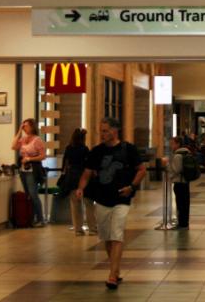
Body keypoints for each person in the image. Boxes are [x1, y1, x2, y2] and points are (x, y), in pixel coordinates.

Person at [75, 118, 145, 290]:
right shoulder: (97, 151)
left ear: (114, 131)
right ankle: (116, 269)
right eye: (101, 131)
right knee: (107, 237)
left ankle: (112, 275)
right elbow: (87, 173)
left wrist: (132, 187)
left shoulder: (128, 149)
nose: (102, 134)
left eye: (105, 131)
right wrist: (80, 188)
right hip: (102, 199)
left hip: (122, 198)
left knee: (117, 235)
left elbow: (141, 169)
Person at [11, 118, 47, 227]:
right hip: (23, 170)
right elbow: (13, 146)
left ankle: (40, 218)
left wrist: (30, 159)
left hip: (32, 170)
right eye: (23, 126)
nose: (24, 128)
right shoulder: (23, 139)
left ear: (32, 127)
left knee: (33, 194)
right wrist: (19, 131)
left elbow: (43, 156)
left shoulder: (37, 140)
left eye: (26, 126)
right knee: (28, 195)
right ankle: (32, 217)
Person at [62, 128, 96, 235]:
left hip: (72, 178)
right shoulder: (84, 149)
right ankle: (92, 229)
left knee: (75, 205)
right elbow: (89, 164)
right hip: (84, 177)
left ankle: (78, 229)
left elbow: (65, 163)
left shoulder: (68, 148)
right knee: (88, 204)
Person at [166, 135, 192, 230]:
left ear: (178, 144)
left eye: (172, 144)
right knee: (185, 204)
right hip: (185, 182)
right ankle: (184, 223)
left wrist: (168, 164)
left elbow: (176, 170)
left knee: (181, 204)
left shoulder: (177, 155)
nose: (171, 146)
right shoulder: (186, 153)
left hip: (179, 182)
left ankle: (182, 224)